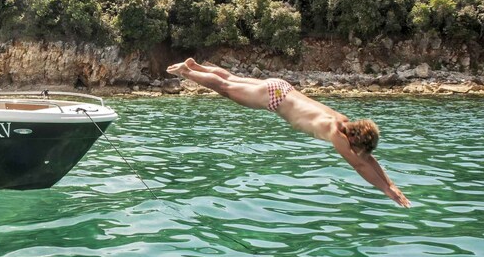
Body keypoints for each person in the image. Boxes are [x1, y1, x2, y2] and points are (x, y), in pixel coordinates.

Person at [167, 58, 411, 207]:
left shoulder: (343, 120)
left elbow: (367, 159)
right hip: (274, 98)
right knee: (227, 87)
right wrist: (385, 190)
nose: (357, 152)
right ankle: (186, 72)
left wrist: (390, 183)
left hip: (281, 86)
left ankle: (196, 66)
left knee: (232, 79)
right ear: (356, 138)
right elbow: (360, 166)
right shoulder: (336, 133)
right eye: (358, 147)